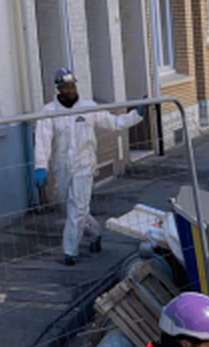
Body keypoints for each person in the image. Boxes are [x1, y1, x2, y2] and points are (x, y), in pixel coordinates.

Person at [33, 68, 144, 266]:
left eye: (72, 85)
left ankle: (70, 252)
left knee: (77, 208)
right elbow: (42, 140)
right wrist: (41, 166)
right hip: (62, 165)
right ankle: (95, 233)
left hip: (84, 164)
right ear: (58, 88)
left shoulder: (88, 107)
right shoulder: (49, 112)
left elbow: (114, 123)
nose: (70, 89)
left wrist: (135, 115)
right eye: (66, 86)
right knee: (71, 207)